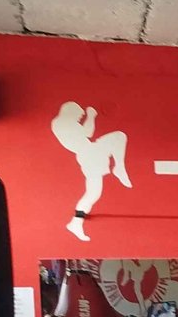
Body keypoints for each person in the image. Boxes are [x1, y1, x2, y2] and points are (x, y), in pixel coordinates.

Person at [51, 101, 129, 241]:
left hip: (90, 152)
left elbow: (85, 133)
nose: (80, 118)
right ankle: (76, 222)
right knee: (93, 193)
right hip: (88, 153)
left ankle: (76, 221)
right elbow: (88, 132)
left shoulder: (61, 123)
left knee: (93, 193)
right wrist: (91, 115)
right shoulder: (63, 122)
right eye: (79, 115)